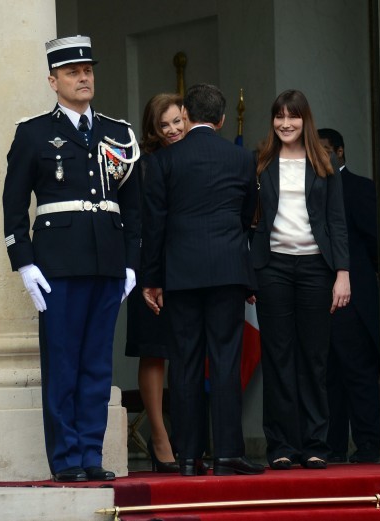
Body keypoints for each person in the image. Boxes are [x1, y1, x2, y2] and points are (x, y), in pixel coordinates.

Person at [2, 36, 140, 482]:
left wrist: (132, 263)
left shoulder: (118, 132)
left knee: (97, 364)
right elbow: (13, 203)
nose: (84, 77)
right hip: (57, 264)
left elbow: (133, 206)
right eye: (73, 72)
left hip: (107, 262)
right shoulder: (34, 132)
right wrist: (24, 263)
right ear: (53, 80)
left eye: (88, 71)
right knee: (62, 362)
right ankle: (66, 460)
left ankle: (90, 455)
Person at [140, 83, 263, 477]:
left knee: (186, 363)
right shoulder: (242, 158)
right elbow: (247, 215)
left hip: (181, 275)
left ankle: (189, 456)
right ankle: (228, 454)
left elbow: (155, 226)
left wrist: (152, 279)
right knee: (225, 361)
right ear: (223, 119)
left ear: (187, 117)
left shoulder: (164, 162)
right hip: (228, 271)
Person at [251, 90, 350, 471]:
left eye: (293, 116)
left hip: (315, 269)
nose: (285, 123)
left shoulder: (323, 161)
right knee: (278, 358)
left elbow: (337, 221)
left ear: (304, 120)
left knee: (313, 358)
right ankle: (280, 444)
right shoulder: (260, 161)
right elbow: (248, 218)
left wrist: (343, 273)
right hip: (272, 267)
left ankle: (314, 444)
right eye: (279, 116)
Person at [125, 93, 187, 473]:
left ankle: (188, 437)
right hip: (150, 270)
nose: (173, 129)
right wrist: (148, 276)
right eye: (164, 124)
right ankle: (160, 437)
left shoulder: (197, 157)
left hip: (189, 269)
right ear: (153, 129)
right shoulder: (144, 166)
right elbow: (138, 224)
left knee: (187, 354)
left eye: (178, 120)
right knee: (155, 351)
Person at [317, 128, 380, 464]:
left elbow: (375, 243)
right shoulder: (311, 186)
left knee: (358, 373)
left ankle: (369, 443)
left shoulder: (358, 187)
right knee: (329, 375)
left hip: (354, 298)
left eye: (326, 149)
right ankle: (333, 445)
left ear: (340, 152)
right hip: (319, 297)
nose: (321, 155)